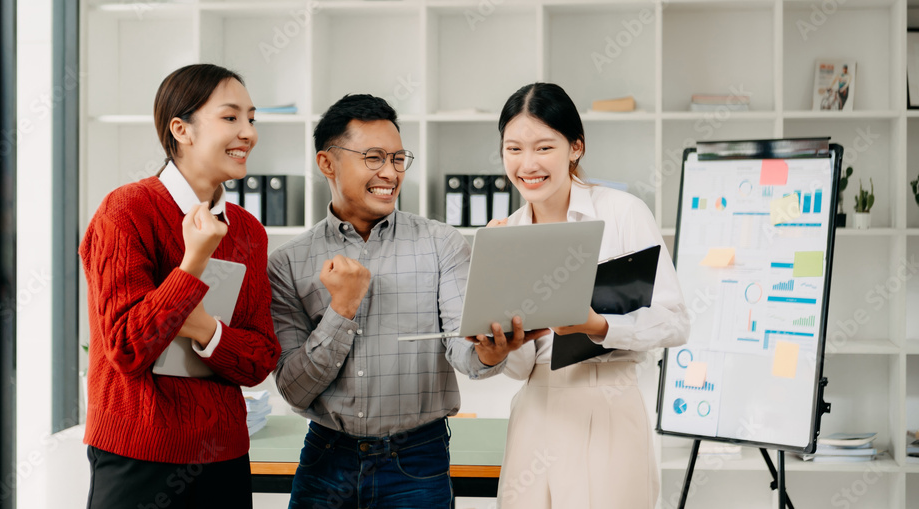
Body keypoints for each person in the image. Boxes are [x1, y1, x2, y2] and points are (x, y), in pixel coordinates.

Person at [268, 94, 544, 509]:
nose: (390, 173)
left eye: (398, 159)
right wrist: (341, 309)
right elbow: (294, 389)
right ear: (327, 163)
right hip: (326, 460)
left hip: (416, 461)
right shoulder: (288, 263)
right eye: (374, 157)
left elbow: (466, 356)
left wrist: (490, 353)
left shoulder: (441, 244)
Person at [79, 64, 281, 509]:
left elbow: (260, 359)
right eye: (230, 118)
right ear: (181, 129)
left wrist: (206, 329)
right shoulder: (126, 210)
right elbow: (128, 348)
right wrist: (192, 263)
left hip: (224, 454)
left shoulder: (248, 231)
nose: (248, 132)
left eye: (252, 119)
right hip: (138, 453)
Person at [484, 83, 690, 508]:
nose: (527, 164)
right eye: (514, 149)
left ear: (575, 147)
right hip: (536, 408)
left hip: (608, 399)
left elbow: (675, 321)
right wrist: (505, 343)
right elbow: (520, 368)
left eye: (544, 147)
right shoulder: (506, 235)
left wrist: (599, 325)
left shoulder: (622, 213)